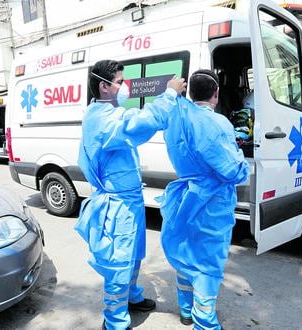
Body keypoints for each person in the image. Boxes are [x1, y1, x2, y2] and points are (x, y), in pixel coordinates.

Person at [74, 59, 186, 330]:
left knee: (134, 253)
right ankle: (114, 319)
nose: (124, 87)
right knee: (119, 260)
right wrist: (169, 94)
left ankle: (132, 296)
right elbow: (140, 123)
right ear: (104, 87)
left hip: (130, 198)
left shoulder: (108, 112)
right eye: (120, 81)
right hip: (117, 202)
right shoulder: (103, 118)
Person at [159, 69, 250, 330]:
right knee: (209, 263)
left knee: (187, 253)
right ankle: (205, 322)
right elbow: (232, 170)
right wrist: (243, 162)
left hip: (184, 199)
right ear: (216, 94)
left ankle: (186, 310)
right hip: (212, 203)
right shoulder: (218, 123)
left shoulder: (176, 120)